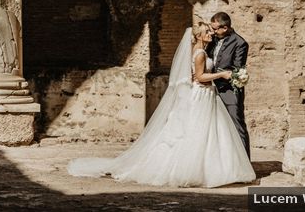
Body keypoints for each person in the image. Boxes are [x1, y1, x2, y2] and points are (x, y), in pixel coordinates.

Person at [67, 23, 255, 188]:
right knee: (197, 133)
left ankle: (212, 168)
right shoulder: (199, 54)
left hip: (207, 95)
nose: (211, 34)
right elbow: (199, 77)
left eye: (210, 31)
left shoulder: (203, 51)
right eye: (207, 31)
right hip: (201, 94)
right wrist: (221, 75)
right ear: (198, 36)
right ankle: (191, 170)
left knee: (209, 134)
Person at [208, 12, 251, 158]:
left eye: (215, 29)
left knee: (237, 125)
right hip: (209, 89)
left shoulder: (240, 43)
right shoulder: (213, 39)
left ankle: (245, 165)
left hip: (229, 91)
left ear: (224, 28)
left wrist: (217, 74)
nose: (212, 32)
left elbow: (237, 69)